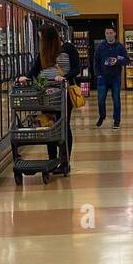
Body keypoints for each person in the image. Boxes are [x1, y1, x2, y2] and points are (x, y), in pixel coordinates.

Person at [27, 25, 80, 176]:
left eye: (41, 37)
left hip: (63, 93)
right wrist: (26, 77)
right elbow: (35, 70)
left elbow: (77, 68)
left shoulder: (68, 48)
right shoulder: (43, 53)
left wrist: (65, 77)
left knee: (63, 125)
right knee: (49, 126)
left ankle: (65, 161)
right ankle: (52, 160)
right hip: (46, 94)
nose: (40, 40)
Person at [91, 26, 129, 129]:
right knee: (100, 99)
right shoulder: (101, 47)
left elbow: (127, 60)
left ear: (115, 34)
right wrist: (98, 74)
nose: (108, 35)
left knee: (116, 99)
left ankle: (116, 120)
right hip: (102, 77)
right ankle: (102, 116)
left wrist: (118, 61)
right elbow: (96, 61)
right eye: (107, 33)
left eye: (110, 33)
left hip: (115, 77)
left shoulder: (120, 47)